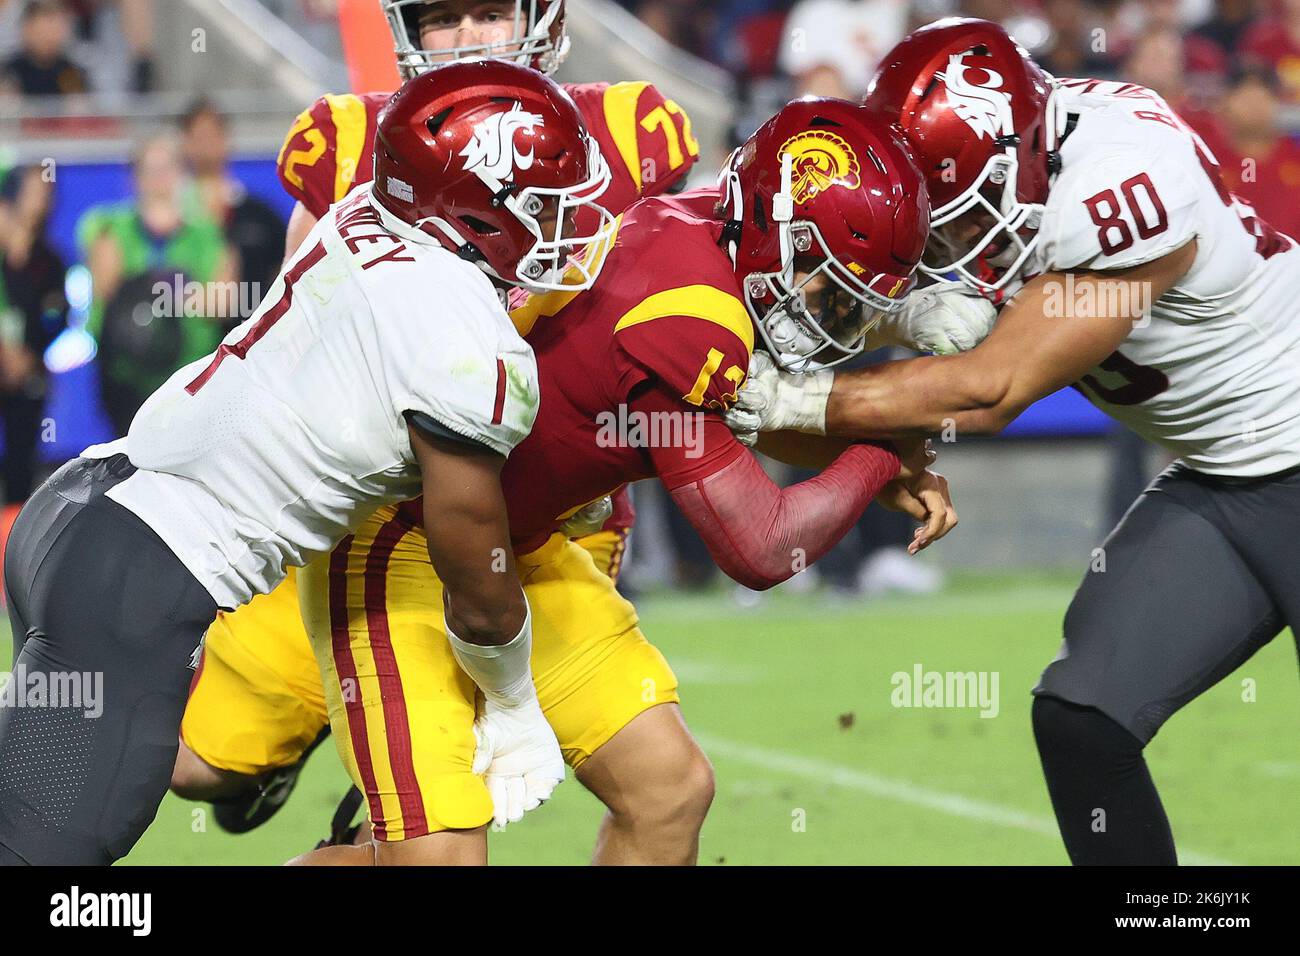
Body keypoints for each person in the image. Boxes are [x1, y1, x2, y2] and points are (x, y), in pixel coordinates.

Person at [286, 98, 953, 865]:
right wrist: (879, 456)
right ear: (780, 234)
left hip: (515, 543)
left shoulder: (708, 220)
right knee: (437, 860)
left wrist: (875, 454)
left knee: (668, 791)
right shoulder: (688, 313)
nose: (834, 315)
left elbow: (733, 416)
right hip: (401, 540)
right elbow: (763, 550)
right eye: (825, 283)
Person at [0, 60, 615, 865]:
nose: (567, 228)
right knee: (58, 877)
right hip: (141, 578)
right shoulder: (467, 341)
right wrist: (511, 701)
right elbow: (478, 582)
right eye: (544, 206)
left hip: (78, 509)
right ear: (477, 205)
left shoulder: (364, 212)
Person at [727, 17, 1300, 865]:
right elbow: (895, 306)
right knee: (1085, 718)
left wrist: (788, 398)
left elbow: (989, 389)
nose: (956, 240)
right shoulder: (1002, 159)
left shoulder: (1126, 179)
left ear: (1027, 149)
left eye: (967, 213)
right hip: (1224, 474)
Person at [171, 0, 700, 834]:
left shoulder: (628, 131)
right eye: (439, 20)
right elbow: (298, 353)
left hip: (547, 530)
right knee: (197, 767)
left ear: (545, 18)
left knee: (487, 801)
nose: (462, 41)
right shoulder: (351, 142)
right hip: (371, 521)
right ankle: (292, 757)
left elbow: (684, 307)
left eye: (487, 13)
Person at [78, 133, 236, 434]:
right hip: (127, 377)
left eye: (168, 168)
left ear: (182, 175)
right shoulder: (110, 228)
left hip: (189, 379)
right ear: (134, 178)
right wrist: (182, 290)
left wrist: (152, 288)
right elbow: (107, 291)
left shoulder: (206, 234)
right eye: (150, 170)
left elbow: (222, 304)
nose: (159, 179)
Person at [0, 164, 67, 593]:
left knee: (23, 468)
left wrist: (29, 355)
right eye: (33, 189)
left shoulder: (50, 261)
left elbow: (57, 315)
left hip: (28, 377)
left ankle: (10, 569)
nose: (41, 198)